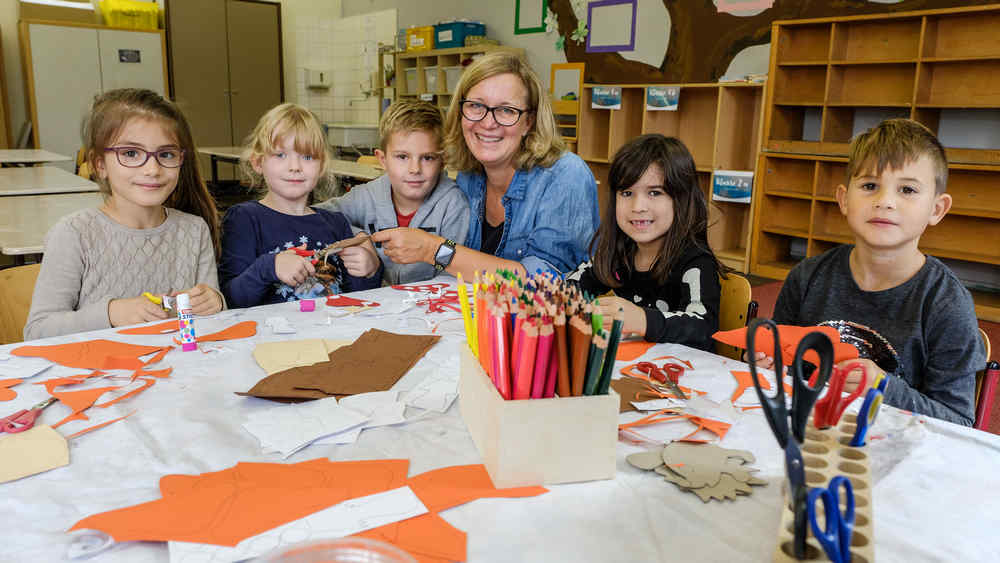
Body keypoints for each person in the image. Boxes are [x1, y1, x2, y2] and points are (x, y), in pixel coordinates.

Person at [763, 118, 985, 426]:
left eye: (907, 189)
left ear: (936, 209)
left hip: (897, 454)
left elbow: (958, 421)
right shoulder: (807, 277)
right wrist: (767, 362)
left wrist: (884, 387)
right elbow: (785, 368)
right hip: (806, 433)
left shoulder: (946, 303)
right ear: (843, 199)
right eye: (869, 186)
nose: (885, 202)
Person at [369, 51, 599, 278]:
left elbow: (546, 280)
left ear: (529, 122)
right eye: (476, 106)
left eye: (506, 110)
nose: (488, 123)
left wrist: (434, 250)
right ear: (460, 112)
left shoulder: (566, 175)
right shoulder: (470, 176)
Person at [24, 88, 223, 340]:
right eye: (130, 153)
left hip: (178, 370)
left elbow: (209, 322)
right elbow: (38, 331)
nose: (152, 169)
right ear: (99, 164)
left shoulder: (194, 230)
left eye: (166, 154)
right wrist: (110, 313)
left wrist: (215, 302)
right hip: (98, 375)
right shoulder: (74, 234)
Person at [568, 135, 722, 351]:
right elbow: (572, 287)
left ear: (682, 200)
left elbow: (703, 328)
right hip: (631, 371)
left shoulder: (696, 262)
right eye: (627, 193)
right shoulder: (619, 252)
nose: (638, 206)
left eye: (654, 192)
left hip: (683, 377)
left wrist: (643, 320)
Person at [218, 103, 381, 308]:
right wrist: (270, 267)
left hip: (333, 335)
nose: (295, 167)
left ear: (321, 166)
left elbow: (359, 300)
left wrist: (369, 270)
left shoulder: (337, 223)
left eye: (307, 157)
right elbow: (231, 301)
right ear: (258, 163)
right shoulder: (244, 219)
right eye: (280, 155)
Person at [316, 99, 469, 284]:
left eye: (428, 158)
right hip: (375, 307)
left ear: (443, 160)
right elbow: (313, 217)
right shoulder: (366, 197)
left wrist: (429, 250)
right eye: (402, 157)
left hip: (432, 305)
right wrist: (358, 237)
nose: (415, 169)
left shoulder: (452, 204)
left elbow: (454, 260)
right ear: (382, 159)